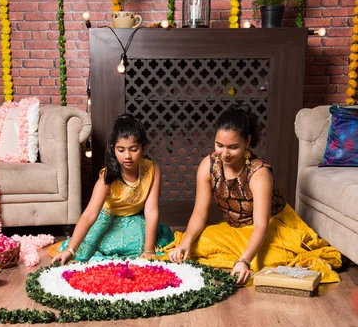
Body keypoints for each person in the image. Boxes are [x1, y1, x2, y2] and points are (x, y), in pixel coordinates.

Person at [167, 106, 342, 284]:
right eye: (219, 145)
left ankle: (244, 256)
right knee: (196, 244)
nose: (225, 154)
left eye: (233, 147)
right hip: (236, 230)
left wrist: (244, 261)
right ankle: (237, 253)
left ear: (247, 141)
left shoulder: (259, 173)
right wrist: (186, 242)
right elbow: (199, 213)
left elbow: (261, 225)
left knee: (267, 259)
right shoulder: (209, 165)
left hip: (271, 227)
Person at [50, 114, 173, 264]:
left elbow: (151, 210)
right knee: (90, 246)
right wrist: (70, 250)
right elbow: (89, 214)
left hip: (133, 219)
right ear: (113, 148)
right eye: (121, 150)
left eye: (133, 149)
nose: (127, 156)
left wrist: (148, 250)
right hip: (107, 219)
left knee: (140, 243)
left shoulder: (153, 169)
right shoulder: (107, 177)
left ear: (143, 147)